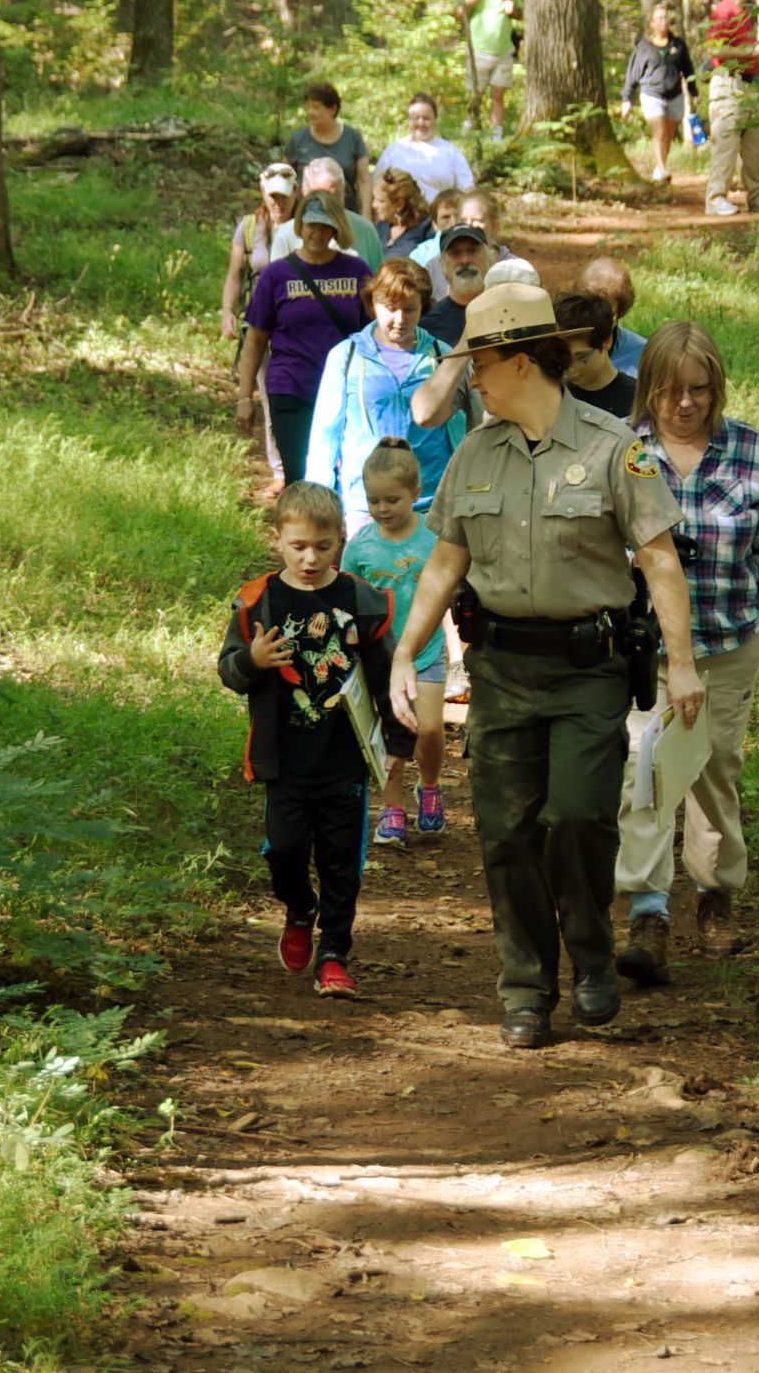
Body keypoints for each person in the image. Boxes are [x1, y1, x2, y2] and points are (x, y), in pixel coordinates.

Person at [388, 283, 705, 1051]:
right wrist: (405, 648)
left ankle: (591, 955)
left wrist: (683, 663)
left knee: (577, 816)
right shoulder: (474, 453)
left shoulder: (609, 448)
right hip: (501, 671)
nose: (473, 380)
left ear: (522, 362)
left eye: (481, 366)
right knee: (505, 832)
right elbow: (443, 561)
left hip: (586, 668)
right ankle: (527, 987)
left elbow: (659, 560)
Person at [613, 321, 759, 982]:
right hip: (648, 648)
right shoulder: (632, 452)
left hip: (727, 641)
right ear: (649, 390)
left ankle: (715, 892)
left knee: (715, 765)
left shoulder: (749, 450)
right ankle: (648, 907)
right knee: (646, 766)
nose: (684, 404)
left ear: (716, 388)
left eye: (698, 390)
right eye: (669, 391)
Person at [217, 480, 415, 998]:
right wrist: (252, 661)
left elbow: (384, 672)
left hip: (344, 759)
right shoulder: (257, 602)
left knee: (340, 861)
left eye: (323, 547)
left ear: (341, 540)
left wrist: (397, 745)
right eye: (299, 546)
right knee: (284, 853)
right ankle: (300, 908)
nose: (310, 558)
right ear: (277, 538)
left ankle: (335, 955)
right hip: (283, 760)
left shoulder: (360, 600)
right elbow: (229, 670)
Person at [305, 256, 465, 529]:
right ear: (372, 304)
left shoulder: (441, 355)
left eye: (410, 309)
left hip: (429, 503)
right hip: (365, 504)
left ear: (423, 308)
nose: (399, 319)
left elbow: (459, 433)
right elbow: (325, 434)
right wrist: (318, 504)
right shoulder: (346, 356)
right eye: (390, 308)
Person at [342, 439, 448, 845]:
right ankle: (392, 806)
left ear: (416, 494)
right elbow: (347, 597)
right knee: (391, 733)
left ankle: (432, 784)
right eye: (373, 500)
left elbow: (448, 588)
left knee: (431, 730)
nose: (382, 508)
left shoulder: (433, 538)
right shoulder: (361, 545)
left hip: (426, 649)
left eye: (392, 499)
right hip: (380, 657)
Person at [236, 191, 370, 487]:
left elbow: (373, 332)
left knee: (342, 476)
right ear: (300, 225)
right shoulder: (277, 275)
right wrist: (245, 397)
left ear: (336, 228)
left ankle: (339, 532)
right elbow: (256, 340)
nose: (317, 233)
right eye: (311, 224)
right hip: (291, 387)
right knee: (300, 477)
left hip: (343, 388)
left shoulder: (357, 271)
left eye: (325, 226)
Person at [221, 164, 298, 500]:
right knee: (268, 394)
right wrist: (227, 311)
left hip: (294, 325)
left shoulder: (306, 228)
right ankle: (280, 470)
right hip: (260, 322)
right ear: (264, 195)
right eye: (273, 196)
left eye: (284, 196)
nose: (278, 203)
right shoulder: (251, 228)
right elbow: (235, 273)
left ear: (295, 194)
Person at [704, 0, 759, 217]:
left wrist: (757, 50)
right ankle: (715, 198)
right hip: (728, 85)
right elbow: (714, 50)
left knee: (753, 143)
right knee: (726, 144)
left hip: (748, 84)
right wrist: (748, 52)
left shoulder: (744, 12)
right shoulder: (724, 10)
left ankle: (756, 197)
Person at [619, 1, 699, 182]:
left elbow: (688, 69)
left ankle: (659, 167)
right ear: (652, 23)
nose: (664, 21)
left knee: (668, 136)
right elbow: (633, 73)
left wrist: (694, 91)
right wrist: (626, 98)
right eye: (659, 18)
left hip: (674, 95)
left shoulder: (678, 45)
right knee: (659, 133)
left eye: (666, 18)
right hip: (651, 94)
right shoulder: (643, 46)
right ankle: (663, 171)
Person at [458, 0, 522, 141]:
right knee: (475, 94)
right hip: (478, 50)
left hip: (503, 50)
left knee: (498, 94)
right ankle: (470, 126)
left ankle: (497, 134)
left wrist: (513, 11)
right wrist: (471, 2)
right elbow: (459, 14)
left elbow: (520, 13)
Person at [284, 81, 372, 219]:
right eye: (309, 107)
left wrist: (366, 215)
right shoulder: (298, 139)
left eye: (316, 107)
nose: (311, 112)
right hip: (306, 217)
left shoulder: (353, 137)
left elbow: (364, 180)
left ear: (332, 109)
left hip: (346, 216)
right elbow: (286, 178)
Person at [373, 93, 474, 204]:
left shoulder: (451, 151)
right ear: (408, 121)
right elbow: (375, 186)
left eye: (426, 118)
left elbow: (467, 188)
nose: (421, 123)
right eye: (415, 118)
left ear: (435, 120)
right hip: (401, 218)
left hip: (441, 216)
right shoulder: (394, 150)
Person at [553, 291, 637, 420]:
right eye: (562, 357)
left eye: (581, 357)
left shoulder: (637, 399)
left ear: (607, 341)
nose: (570, 368)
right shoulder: (555, 396)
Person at [425, 187, 515, 303]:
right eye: (463, 221)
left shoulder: (514, 270)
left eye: (477, 220)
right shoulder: (433, 268)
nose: (469, 226)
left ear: (494, 225)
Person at [295, 155, 383, 274]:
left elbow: (377, 283)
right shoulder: (286, 234)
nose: (327, 204)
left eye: (334, 197)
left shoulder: (365, 230)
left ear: (343, 193)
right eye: (318, 197)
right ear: (304, 192)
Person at [419, 222, 493, 346]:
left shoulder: (507, 312)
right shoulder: (427, 326)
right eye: (455, 253)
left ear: (489, 259)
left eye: (472, 250)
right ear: (443, 266)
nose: (464, 260)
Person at [580, 257, 646, 378]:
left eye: (605, 307)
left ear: (619, 311)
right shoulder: (562, 347)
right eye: (587, 304)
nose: (595, 314)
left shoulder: (642, 353)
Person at [404, 187, 465, 287]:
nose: (454, 222)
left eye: (458, 215)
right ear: (435, 224)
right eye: (445, 217)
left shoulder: (482, 246)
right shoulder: (421, 255)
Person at [372, 168, 434, 260]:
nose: (374, 205)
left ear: (399, 204)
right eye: (374, 198)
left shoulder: (427, 228)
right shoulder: (380, 227)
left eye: (381, 201)